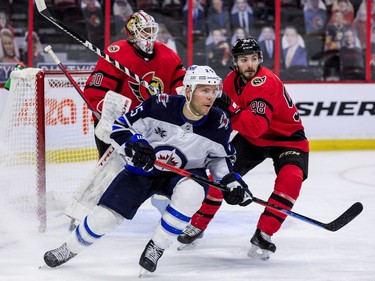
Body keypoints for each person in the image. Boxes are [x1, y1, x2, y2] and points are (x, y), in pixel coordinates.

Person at [42, 65, 253, 275]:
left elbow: (219, 160)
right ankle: (68, 248)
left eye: (214, 91)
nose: (211, 97)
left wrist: (233, 184)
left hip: (184, 175)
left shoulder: (220, 122)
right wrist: (136, 143)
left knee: (194, 193)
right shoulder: (159, 105)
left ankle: (157, 246)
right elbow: (121, 127)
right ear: (188, 91)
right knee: (105, 218)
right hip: (143, 171)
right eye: (204, 91)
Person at [177, 38, 309, 261]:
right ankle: (197, 225)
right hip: (252, 140)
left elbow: (257, 126)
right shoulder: (230, 81)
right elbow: (222, 119)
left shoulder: (265, 82)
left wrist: (232, 108)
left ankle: (264, 233)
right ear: (235, 62)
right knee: (220, 178)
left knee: (291, 179)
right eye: (244, 60)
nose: (250, 64)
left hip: (287, 140)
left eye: (254, 59)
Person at [82, 10, 186, 158]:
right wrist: (107, 116)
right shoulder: (116, 54)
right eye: (145, 31)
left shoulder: (168, 55)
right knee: (112, 172)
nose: (149, 35)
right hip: (119, 125)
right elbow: (95, 91)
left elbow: (181, 88)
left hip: (154, 125)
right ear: (132, 33)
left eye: (151, 30)